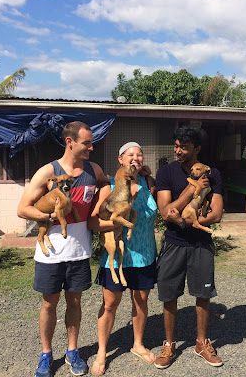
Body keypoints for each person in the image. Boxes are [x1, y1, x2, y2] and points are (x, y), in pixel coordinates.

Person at [17, 121, 110, 377]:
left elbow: (105, 184)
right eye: (87, 143)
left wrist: (101, 201)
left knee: (75, 302)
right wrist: (48, 219)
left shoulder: (94, 170)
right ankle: (46, 354)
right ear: (70, 142)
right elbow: (23, 208)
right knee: (49, 304)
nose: (91, 147)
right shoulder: (48, 172)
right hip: (51, 253)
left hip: (80, 251)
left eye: (92, 143)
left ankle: (72, 350)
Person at [153, 126, 224, 369]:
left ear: (197, 149)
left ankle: (202, 342)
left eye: (183, 147)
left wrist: (188, 221)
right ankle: (169, 343)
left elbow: (216, 214)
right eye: (176, 146)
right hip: (174, 243)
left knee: (203, 294)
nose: (178, 151)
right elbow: (165, 211)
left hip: (201, 244)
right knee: (169, 294)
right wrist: (192, 186)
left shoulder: (212, 174)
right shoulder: (166, 173)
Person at [88, 142, 158, 376]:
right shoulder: (109, 186)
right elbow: (93, 222)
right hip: (116, 258)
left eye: (139, 154)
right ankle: (102, 351)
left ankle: (137, 344)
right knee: (110, 304)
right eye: (130, 154)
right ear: (120, 159)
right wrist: (118, 222)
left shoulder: (148, 183)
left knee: (141, 301)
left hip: (145, 254)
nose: (136, 158)